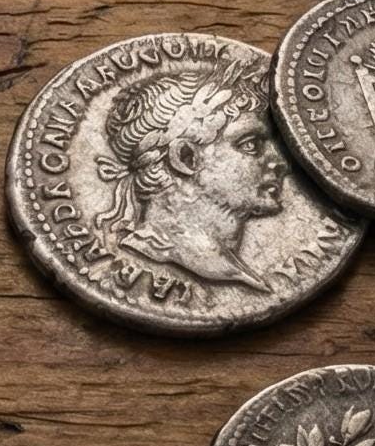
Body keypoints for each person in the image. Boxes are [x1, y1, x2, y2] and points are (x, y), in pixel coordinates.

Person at [94, 59, 286, 292]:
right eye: (251, 145)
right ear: (186, 158)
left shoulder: (226, 265)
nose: (282, 163)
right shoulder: (165, 256)